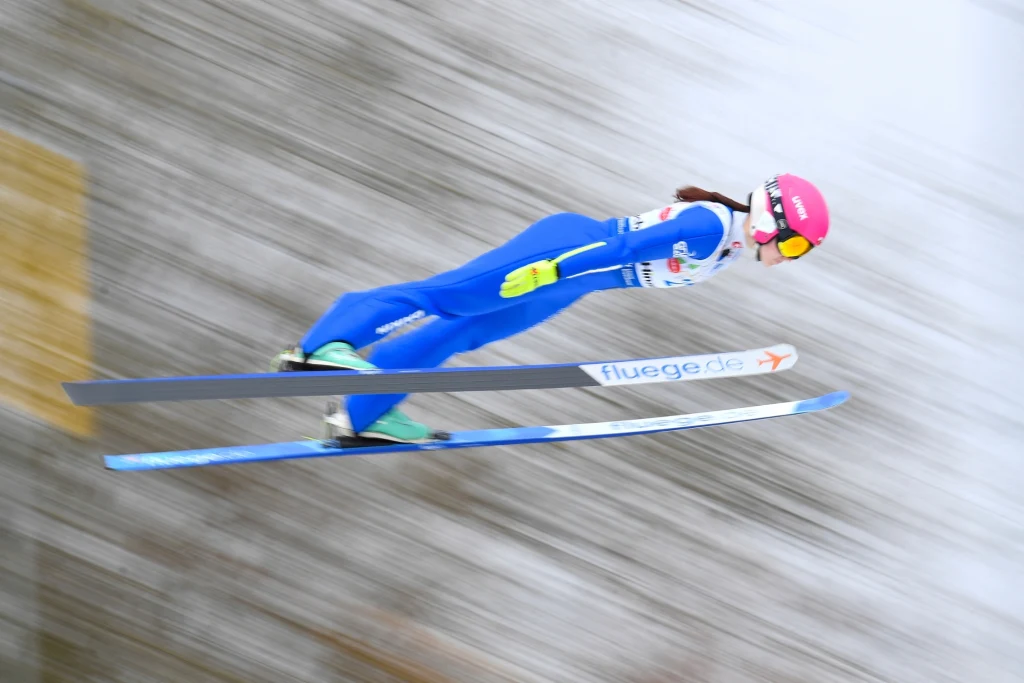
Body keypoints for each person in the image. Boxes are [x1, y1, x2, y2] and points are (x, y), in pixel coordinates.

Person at [271, 173, 830, 443]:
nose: (792, 257)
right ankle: (324, 345)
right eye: (797, 244)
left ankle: (361, 415)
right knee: (450, 295)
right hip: (565, 252)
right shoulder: (711, 225)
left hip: (573, 281)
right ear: (772, 220)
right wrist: (553, 269)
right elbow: (622, 249)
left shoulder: (729, 246)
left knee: (459, 332)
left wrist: (563, 282)